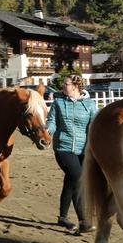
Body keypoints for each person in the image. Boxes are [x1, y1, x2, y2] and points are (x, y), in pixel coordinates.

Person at [47, 74, 97, 234]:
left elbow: (94, 125)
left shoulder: (89, 104)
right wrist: (48, 130)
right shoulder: (58, 102)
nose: (63, 86)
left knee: (70, 182)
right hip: (63, 147)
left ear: (75, 86)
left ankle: (62, 218)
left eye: (66, 84)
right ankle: (84, 221)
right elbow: (52, 121)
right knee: (78, 179)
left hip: (83, 149)